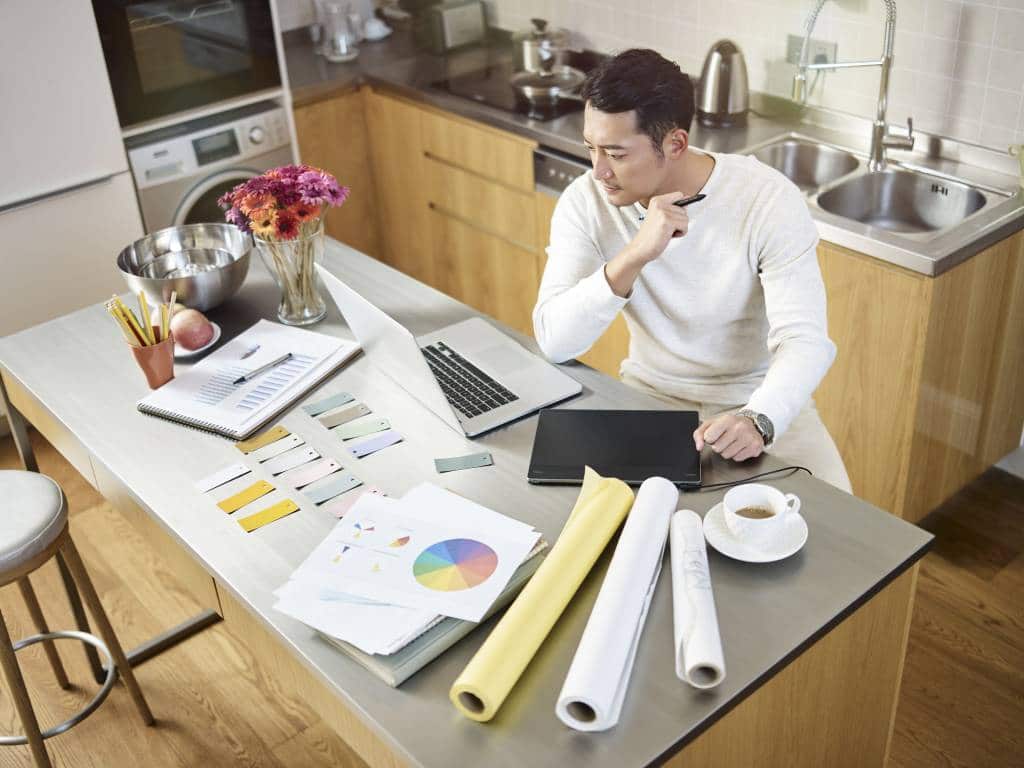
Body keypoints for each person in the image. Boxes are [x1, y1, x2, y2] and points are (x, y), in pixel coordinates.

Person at [532, 48, 851, 492]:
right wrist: (635, 254)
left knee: (842, 530)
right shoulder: (585, 202)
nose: (598, 170)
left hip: (758, 400)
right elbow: (555, 339)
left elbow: (806, 341)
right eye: (591, 148)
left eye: (616, 154)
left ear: (676, 144)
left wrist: (759, 418)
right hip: (649, 399)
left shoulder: (767, 200)